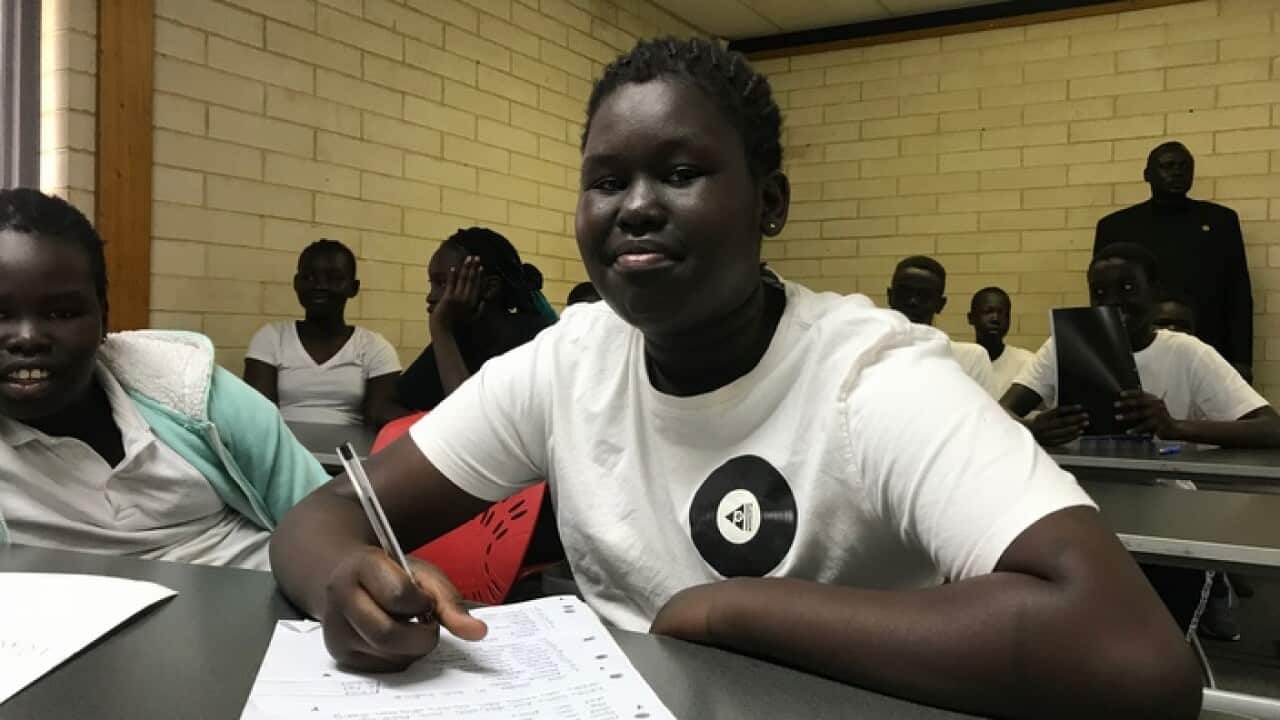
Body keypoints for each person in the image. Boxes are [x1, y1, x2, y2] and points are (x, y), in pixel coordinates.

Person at [270, 38, 1200, 719]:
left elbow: (1134, 659)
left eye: (681, 172)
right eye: (606, 181)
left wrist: (727, 610)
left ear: (770, 203)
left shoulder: (868, 375)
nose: (635, 206)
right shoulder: (569, 361)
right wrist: (345, 580)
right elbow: (325, 517)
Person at [0, 188, 328, 570]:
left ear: (104, 317)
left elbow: (329, 519)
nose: (27, 338)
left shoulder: (192, 393)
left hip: (267, 591)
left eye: (61, 313)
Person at [1000, 242, 1280, 450]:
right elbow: (998, 413)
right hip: (1082, 484)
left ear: (1155, 293)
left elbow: (1271, 428)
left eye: (1127, 288)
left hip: (1166, 489)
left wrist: (1174, 427)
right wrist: (1032, 428)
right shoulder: (1065, 345)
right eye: (1099, 292)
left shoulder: (1187, 352)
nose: (1112, 301)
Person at [1094, 141, 1252, 375]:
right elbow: (1103, 297)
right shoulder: (1116, 226)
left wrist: (1242, 360)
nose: (1177, 172)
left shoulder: (1220, 221)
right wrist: (1104, 353)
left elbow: (1238, 294)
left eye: (1184, 166)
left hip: (1208, 342)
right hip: (1137, 345)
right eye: (1167, 166)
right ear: (1147, 175)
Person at [244, 240, 405, 430]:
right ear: (296, 283)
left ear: (353, 287)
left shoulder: (374, 347)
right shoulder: (272, 337)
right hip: (282, 444)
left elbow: (378, 418)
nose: (320, 285)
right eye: (309, 277)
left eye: (334, 278)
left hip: (349, 447)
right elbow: (258, 416)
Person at [396, 227, 557, 412]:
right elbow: (388, 402)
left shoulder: (535, 343)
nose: (430, 296)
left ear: (489, 288)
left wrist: (440, 329)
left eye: (443, 283)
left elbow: (468, 417)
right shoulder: (462, 336)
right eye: (432, 284)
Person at [886, 255, 996, 395]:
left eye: (924, 295)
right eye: (905, 293)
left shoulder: (969, 359)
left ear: (940, 304)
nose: (913, 301)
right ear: (890, 296)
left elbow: (984, 409)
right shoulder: (869, 354)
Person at [968, 286, 1034, 397]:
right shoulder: (958, 363)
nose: (995, 318)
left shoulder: (1027, 363)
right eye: (988, 311)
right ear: (971, 318)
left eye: (1003, 313)